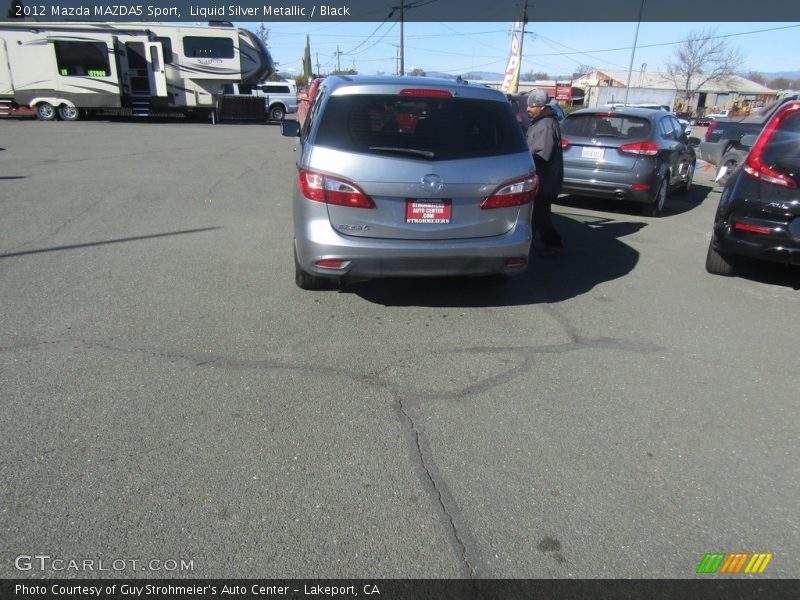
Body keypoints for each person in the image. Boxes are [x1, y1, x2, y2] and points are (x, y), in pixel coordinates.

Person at [526, 89, 564, 257]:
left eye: (532, 106)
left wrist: (526, 167)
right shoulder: (540, 122)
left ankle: (554, 244)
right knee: (538, 214)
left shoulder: (546, 125)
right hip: (543, 179)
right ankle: (532, 243)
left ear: (542, 107)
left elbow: (542, 155)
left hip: (544, 180)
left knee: (540, 215)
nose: (528, 108)